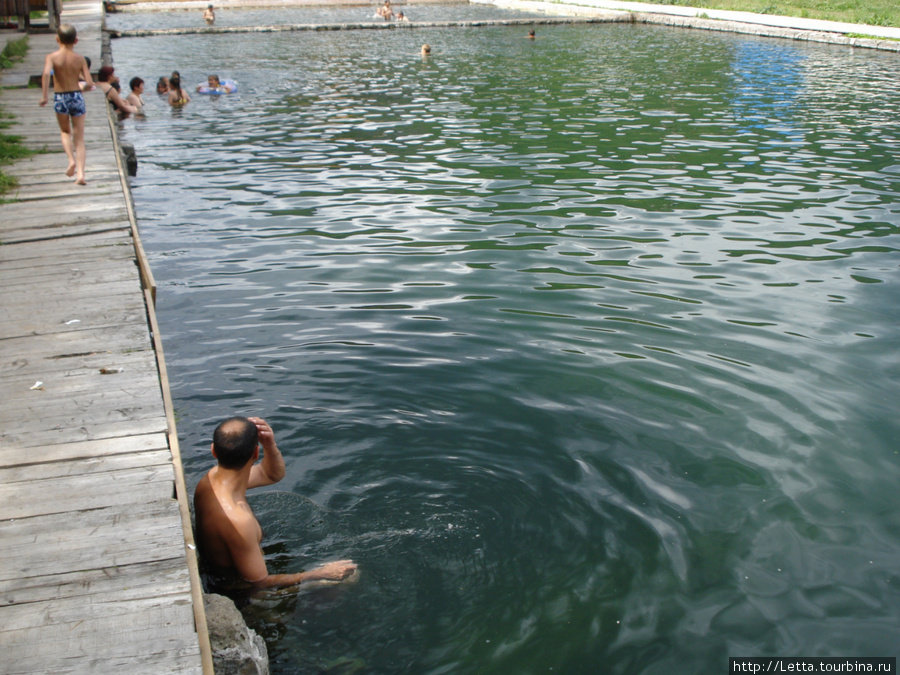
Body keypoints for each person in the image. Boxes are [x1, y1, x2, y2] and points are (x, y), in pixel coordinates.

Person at [193, 416, 358, 590]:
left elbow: (271, 474)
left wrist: (270, 445)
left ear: (213, 451)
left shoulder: (210, 480)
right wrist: (320, 573)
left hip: (224, 565)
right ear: (255, 454)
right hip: (242, 592)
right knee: (350, 577)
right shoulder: (239, 521)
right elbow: (259, 583)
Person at [39, 24, 94, 185]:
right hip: (76, 96)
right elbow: (90, 83)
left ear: (57, 39)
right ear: (76, 41)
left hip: (60, 97)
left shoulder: (51, 57)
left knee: (65, 131)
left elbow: (45, 74)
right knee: (79, 138)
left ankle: (71, 160)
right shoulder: (80, 59)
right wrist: (83, 86)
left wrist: (44, 97)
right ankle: (81, 175)